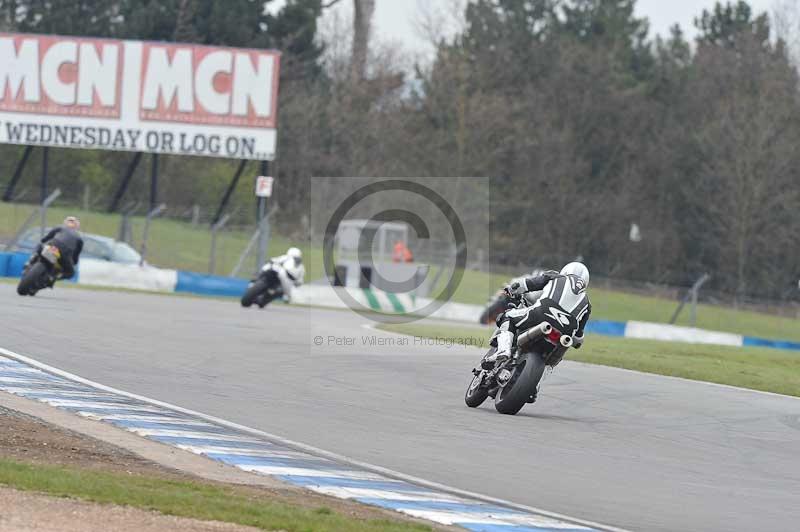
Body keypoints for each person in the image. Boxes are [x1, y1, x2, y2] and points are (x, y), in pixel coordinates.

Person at [485, 262, 591, 366]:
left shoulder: (555, 276)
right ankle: (539, 379)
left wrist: (510, 289)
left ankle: (503, 351)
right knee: (551, 362)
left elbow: (528, 284)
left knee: (507, 316)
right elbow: (578, 339)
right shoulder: (587, 303)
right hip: (565, 332)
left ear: (566, 270)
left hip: (541, 313)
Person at [35, 216, 84, 283]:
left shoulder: (61, 227)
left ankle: (51, 276)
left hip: (52, 245)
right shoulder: (79, 238)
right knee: (71, 273)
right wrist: (74, 262)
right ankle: (53, 278)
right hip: (64, 254)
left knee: (40, 246)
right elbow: (76, 256)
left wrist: (43, 241)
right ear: (77, 227)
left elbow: (48, 236)